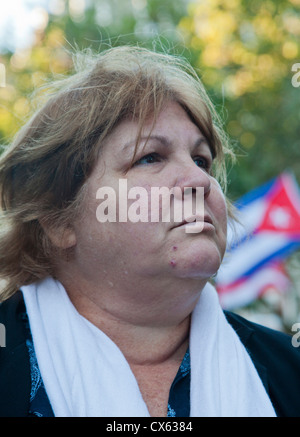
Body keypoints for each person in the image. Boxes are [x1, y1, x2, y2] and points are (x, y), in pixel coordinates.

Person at [0, 45, 299, 418]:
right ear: (59, 221)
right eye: (149, 157)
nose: (199, 180)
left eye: (201, 159)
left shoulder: (290, 370)